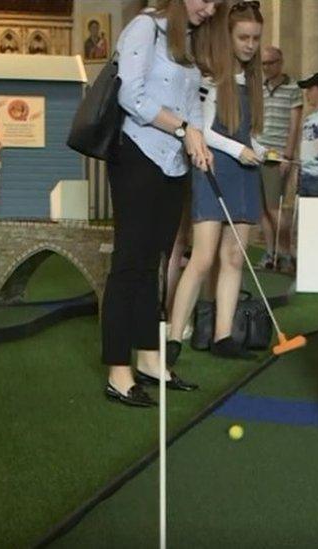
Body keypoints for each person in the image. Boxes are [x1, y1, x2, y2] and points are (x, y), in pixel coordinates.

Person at [101, 0, 219, 407]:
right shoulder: (143, 28)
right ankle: (119, 371)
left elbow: (194, 103)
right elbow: (130, 96)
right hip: (137, 154)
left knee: (156, 263)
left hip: (173, 162)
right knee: (129, 262)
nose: (211, 8)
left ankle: (150, 360)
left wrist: (197, 138)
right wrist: (184, 128)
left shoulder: (186, 41)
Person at [167, 0, 266, 365]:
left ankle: (224, 335)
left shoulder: (251, 82)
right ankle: (174, 336)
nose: (250, 45)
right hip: (213, 168)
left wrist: (260, 150)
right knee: (203, 257)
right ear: (228, 37)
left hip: (244, 174)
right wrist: (240, 150)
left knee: (234, 258)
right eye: (243, 37)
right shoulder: (212, 78)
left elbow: (248, 133)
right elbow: (204, 131)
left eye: (255, 38)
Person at [257, 46, 302, 270]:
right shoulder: (259, 88)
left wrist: (288, 155)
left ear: (280, 62)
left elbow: (295, 125)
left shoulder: (293, 88)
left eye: (270, 63)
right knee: (261, 209)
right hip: (257, 153)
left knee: (275, 208)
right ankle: (270, 253)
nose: (266, 68)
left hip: (277, 155)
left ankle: (286, 252)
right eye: (263, 64)